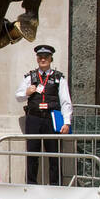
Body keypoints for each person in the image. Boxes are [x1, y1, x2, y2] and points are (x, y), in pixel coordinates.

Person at [16, 44, 72, 186]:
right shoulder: (30, 77)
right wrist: (27, 92)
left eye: (46, 57)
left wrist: (66, 122)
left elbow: (66, 101)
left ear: (51, 58)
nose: (43, 59)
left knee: (54, 154)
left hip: (51, 119)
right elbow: (18, 96)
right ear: (37, 59)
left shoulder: (59, 78)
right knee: (32, 154)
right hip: (34, 118)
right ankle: (31, 185)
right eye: (40, 57)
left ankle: (55, 186)